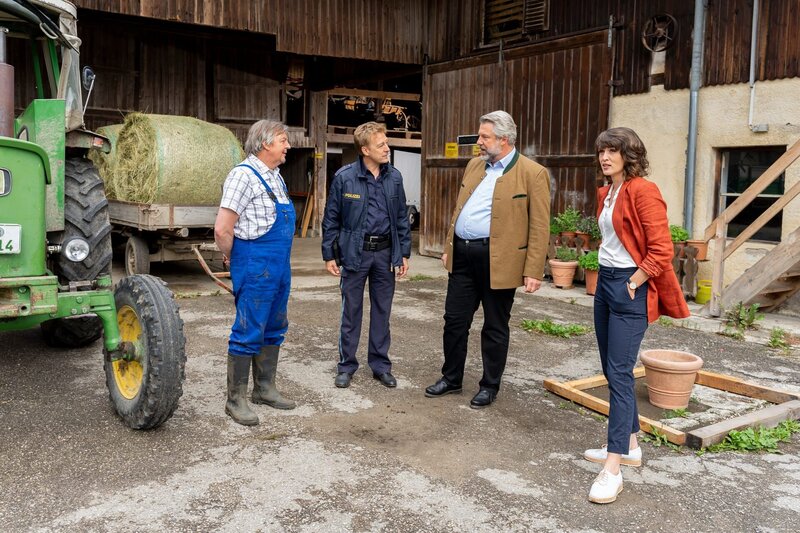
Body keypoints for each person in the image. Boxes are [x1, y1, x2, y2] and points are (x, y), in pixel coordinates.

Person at [584, 127, 689, 503]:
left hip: (629, 287)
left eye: (614, 150)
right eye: (602, 151)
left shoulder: (644, 190)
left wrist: (635, 280)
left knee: (619, 374)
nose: (606, 157)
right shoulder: (607, 192)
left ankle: (613, 467)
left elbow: (662, 250)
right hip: (606, 284)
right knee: (611, 368)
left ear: (630, 155)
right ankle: (629, 446)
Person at [425, 110, 550, 409]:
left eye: (485, 137)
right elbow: (459, 209)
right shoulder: (474, 166)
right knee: (454, 321)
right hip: (464, 256)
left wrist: (534, 269)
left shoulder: (533, 173)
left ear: (504, 140)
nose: (479, 142)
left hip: (501, 261)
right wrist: (448, 247)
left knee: (495, 325)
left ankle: (489, 385)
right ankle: (451, 378)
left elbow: (540, 225)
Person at [214, 119, 297, 426]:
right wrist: (233, 257)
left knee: (275, 324)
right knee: (249, 328)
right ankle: (235, 400)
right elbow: (223, 228)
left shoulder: (276, 176)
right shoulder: (242, 176)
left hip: (279, 264)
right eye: (283, 140)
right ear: (265, 143)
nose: (287, 145)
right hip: (254, 261)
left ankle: (265, 389)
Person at [321, 121, 412, 389]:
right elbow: (331, 219)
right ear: (364, 149)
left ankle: (380, 366)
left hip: (384, 254)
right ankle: (346, 366)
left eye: (386, 143)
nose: (387, 148)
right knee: (351, 311)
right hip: (354, 254)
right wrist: (330, 254)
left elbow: (401, 218)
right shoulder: (344, 178)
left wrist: (403, 253)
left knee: (382, 312)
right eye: (381, 144)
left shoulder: (394, 177)